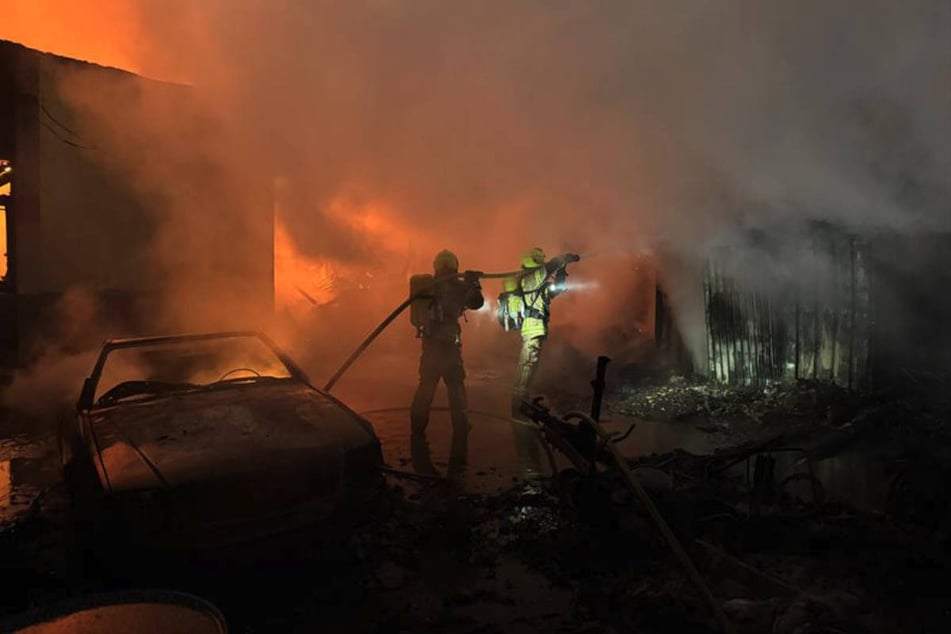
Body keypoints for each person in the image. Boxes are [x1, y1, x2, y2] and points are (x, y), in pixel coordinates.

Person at [409, 249, 484, 481]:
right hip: (450, 348)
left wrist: (470, 282)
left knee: (426, 387)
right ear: (454, 264)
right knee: (455, 386)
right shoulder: (457, 285)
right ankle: (461, 428)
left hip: (430, 347)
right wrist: (474, 283)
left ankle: (417, 427)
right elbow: (477, 303)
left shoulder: (426, 285)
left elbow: (415, 317)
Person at [510, 247, 580, 479]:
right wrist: (563, 259)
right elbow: (548, 268)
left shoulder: (536, 282)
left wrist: (563, 271)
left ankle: (522, 400)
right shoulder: (531, 277)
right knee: (528, 364)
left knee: (531, 365)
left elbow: (555, 290)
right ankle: (517, 405)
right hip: (532, 330)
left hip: (536, 330)